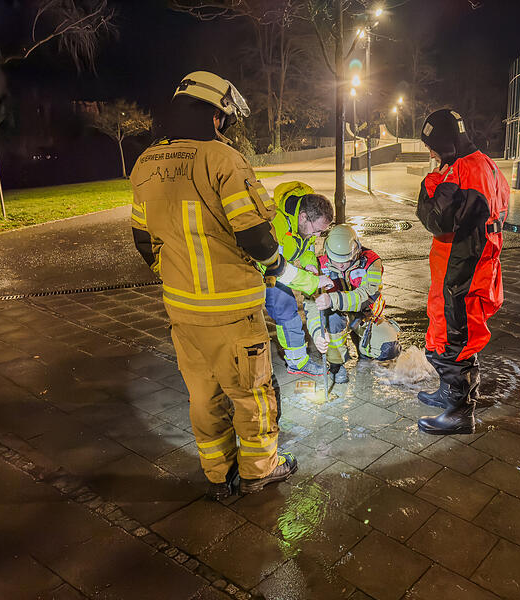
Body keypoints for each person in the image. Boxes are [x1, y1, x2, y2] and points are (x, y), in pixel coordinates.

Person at [130, 71, 297, 498]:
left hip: (182, 312)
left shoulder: (146, 163)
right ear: (213, 114)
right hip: (232, 310)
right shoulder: (222, 159)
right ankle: (261, 469)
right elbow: (255, 236)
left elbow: (143, 240)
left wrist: (174, 277)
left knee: (203, 396)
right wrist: (277, 265)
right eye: (223, 116)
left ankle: (220, 474)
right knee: (251, 394)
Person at [415, 109, 510, 435]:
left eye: (432, 146)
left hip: (461, 267)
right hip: (475, 262)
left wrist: (431, 179)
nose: (431, 153)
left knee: (450, 336)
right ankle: (452, 393)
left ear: (446, 144)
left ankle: (459, 411)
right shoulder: (486, 164)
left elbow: (435, 218)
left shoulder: (460, 173)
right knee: (460, 331)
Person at [305, 224, 401, 383]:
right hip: (335, 311)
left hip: (365, 311)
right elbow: (311, 304)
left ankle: (365, 348)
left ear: (356, 250)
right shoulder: (318, 265)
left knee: (388, 346)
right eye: (336, 261)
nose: (341, 265)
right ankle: (336, 363)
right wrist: (316, 332)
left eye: (346, 260)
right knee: (333, 320)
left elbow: (365, 295)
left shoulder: (371, 262)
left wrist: (332, 299)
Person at [262, 181, 334, 376]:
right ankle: (296, 362)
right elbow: (274, 267)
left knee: (287, 308)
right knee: (284, 307)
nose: (318, 235)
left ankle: (296, 359)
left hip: (276, 269)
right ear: (303, 217)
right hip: (257, 273)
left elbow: (306, 250)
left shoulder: (304, 225)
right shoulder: (276, 224)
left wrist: (310, 263)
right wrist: (312, 282)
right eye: (317, 230)